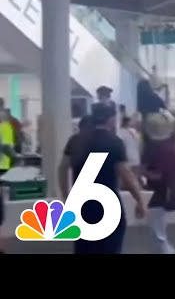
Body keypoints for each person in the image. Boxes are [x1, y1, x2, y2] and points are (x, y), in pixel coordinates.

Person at [57, 106, 147, 254]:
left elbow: (62, 168)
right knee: (110, 248)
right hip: (108, 206)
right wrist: (140, 200)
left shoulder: (75, 140)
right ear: (111, 119)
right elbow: (126, 175)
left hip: (82, 205)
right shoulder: (114, 142)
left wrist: (66, 196)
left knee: (85, 248)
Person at [142, 111, 175, 254]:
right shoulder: (169, 146)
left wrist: (144, 174)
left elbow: (149, 172)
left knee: (159, 237)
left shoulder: (151, 147)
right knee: (159, 234)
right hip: (171, 191)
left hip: (157, 194)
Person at [118, 117, 142, 189]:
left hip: (127, 159)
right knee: (134, 179)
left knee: (125, 180)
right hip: (135, 158)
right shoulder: (134, 132)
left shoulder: (120, 132)